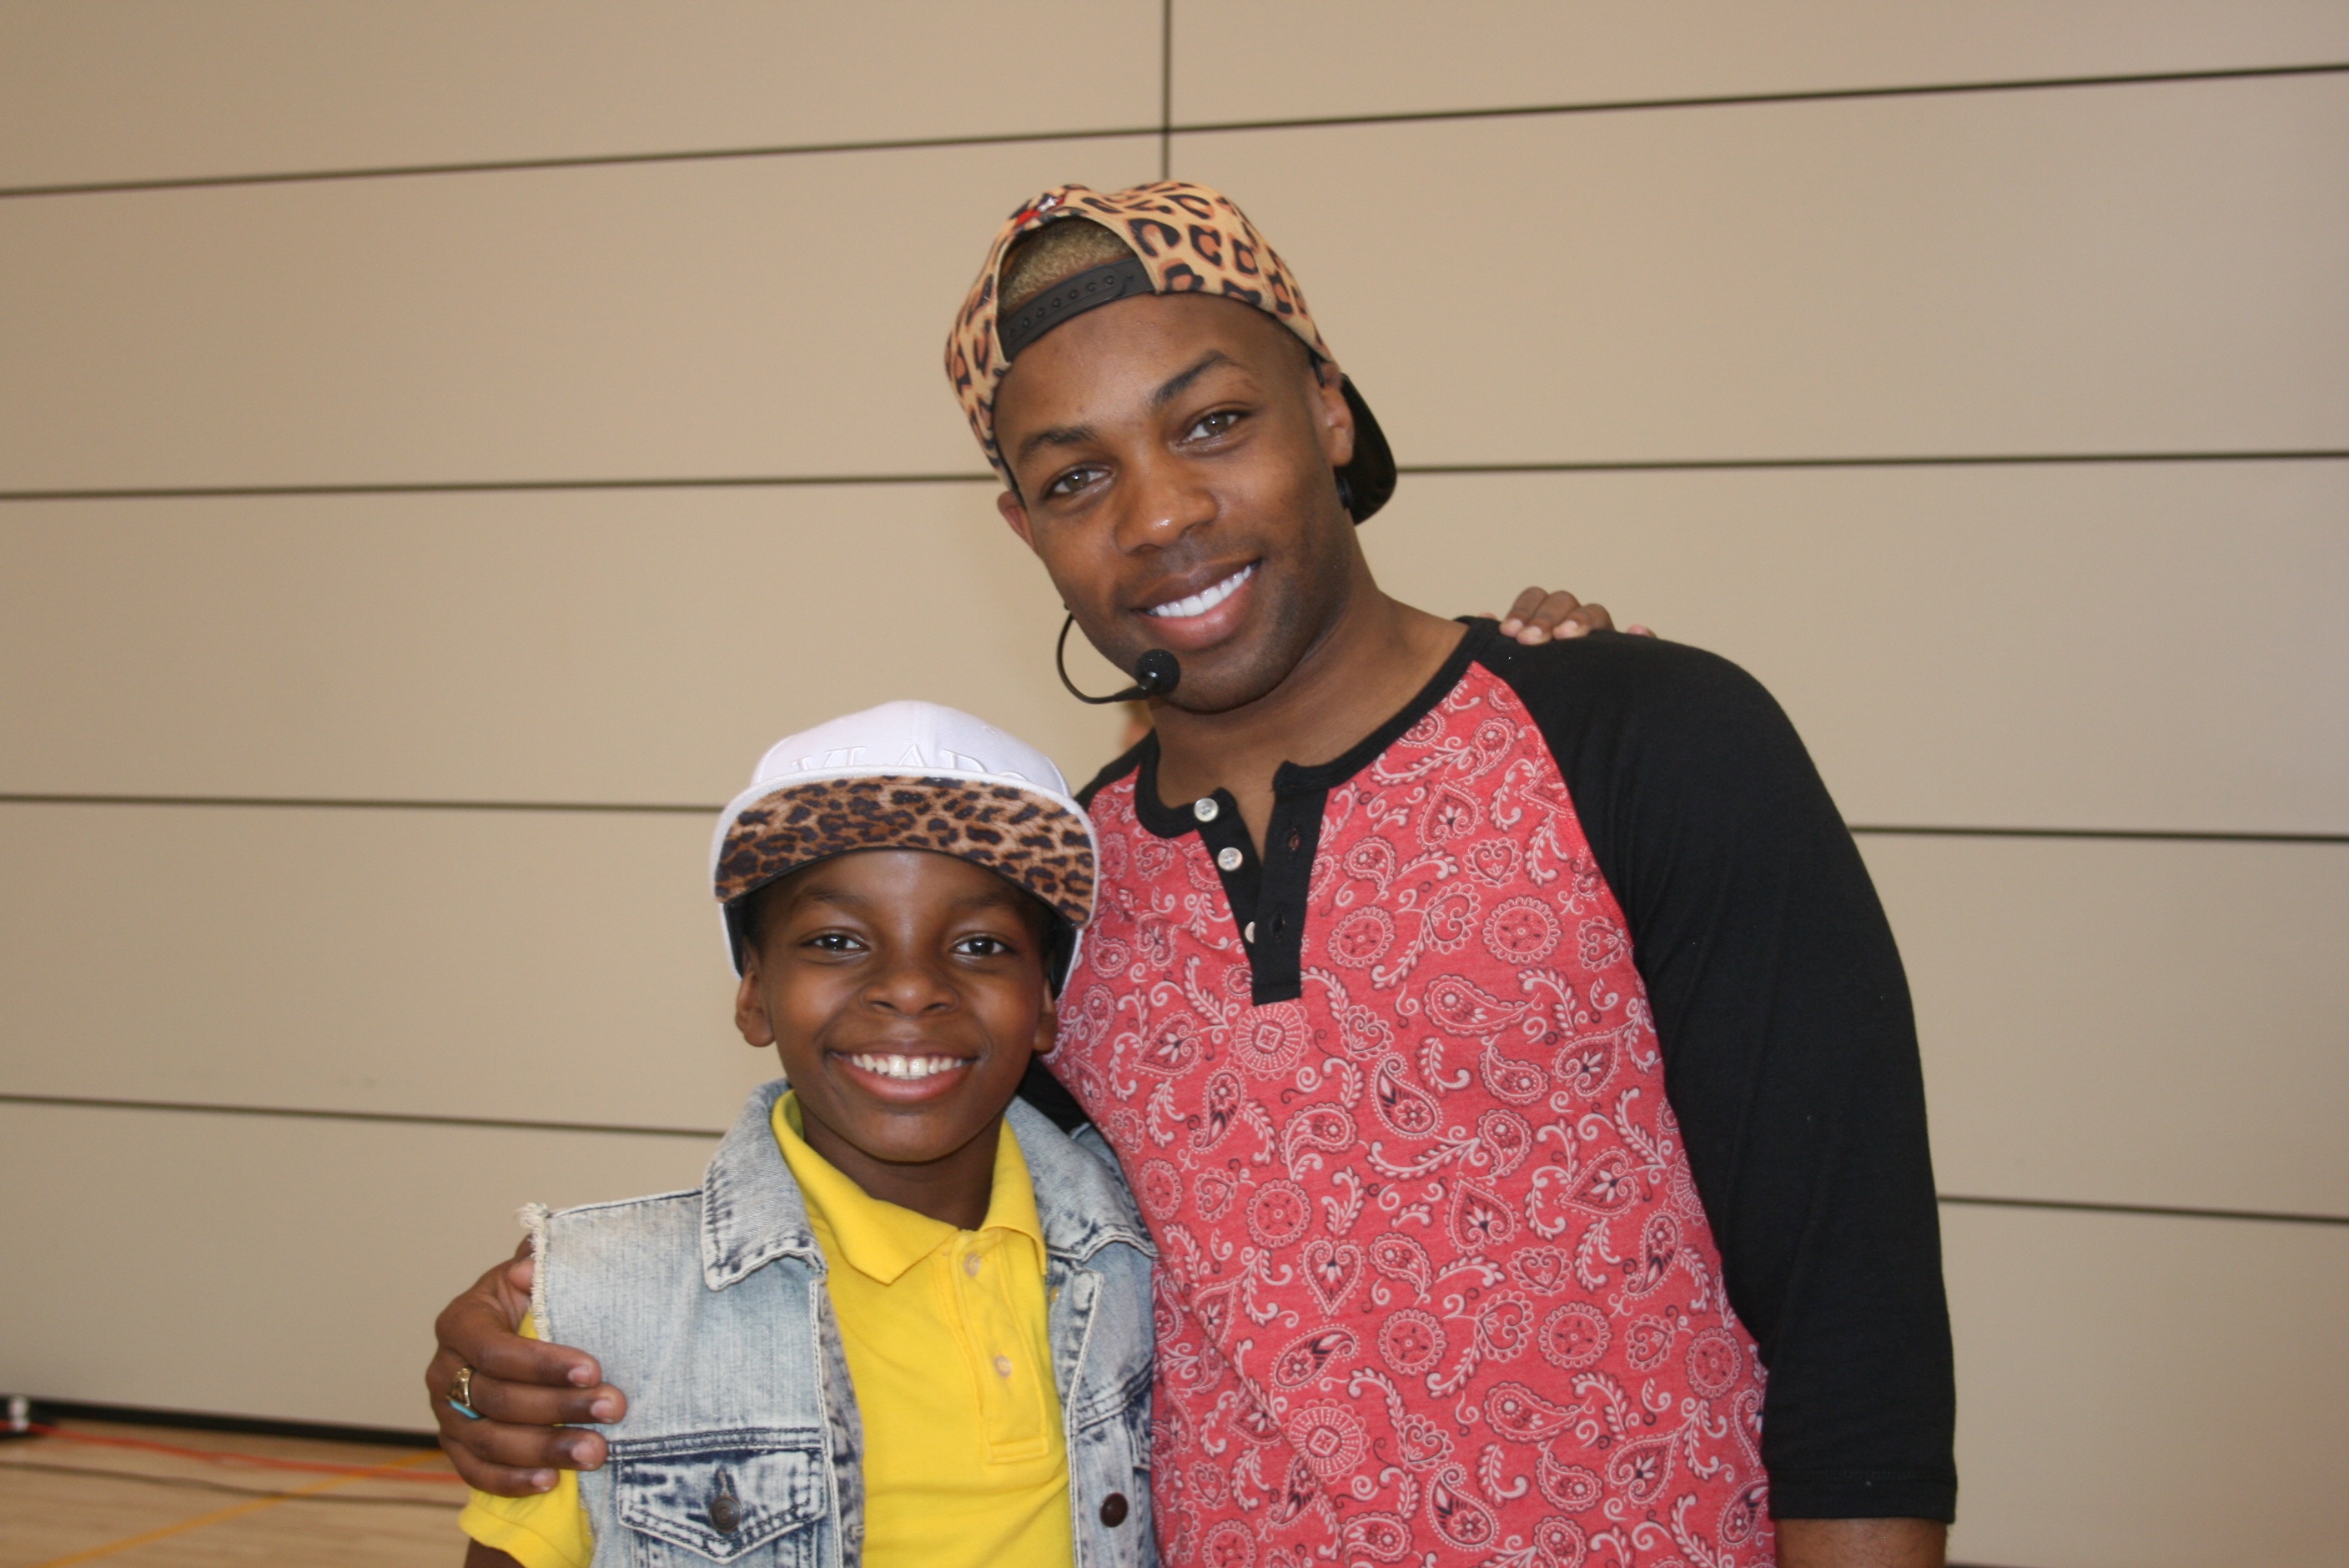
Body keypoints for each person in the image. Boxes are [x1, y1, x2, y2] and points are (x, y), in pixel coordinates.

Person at [434, 182, 1954, 1568]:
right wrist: (541, 1322)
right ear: (1022, 529)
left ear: (1331, 411)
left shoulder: (1648, 739)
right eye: (1077, 476)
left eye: (1211, 423)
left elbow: (1853, 1306)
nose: (1159, 513)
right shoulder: (1054, 894)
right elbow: (883, 1202)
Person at [454, 701, 1157, 1568]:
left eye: (978, 944)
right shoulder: (603, 1300)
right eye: (835, 939)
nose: (910, 987)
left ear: (1046, 1003)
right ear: (753, 991)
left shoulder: (1146, 1260)